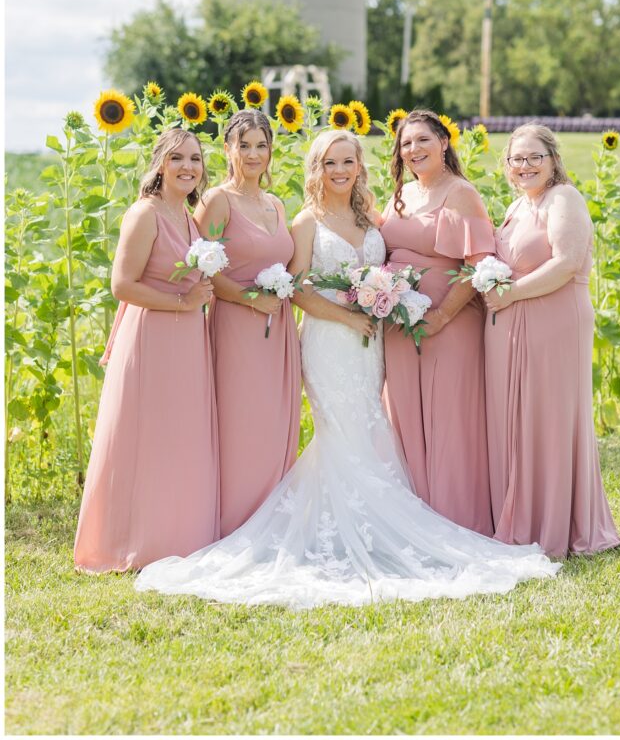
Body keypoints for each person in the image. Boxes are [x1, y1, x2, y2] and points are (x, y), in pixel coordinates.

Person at [135, 130, 560, 608]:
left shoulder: (369, 217)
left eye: (347, 162)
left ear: (360, 167)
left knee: (370, 427)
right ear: (316, 169)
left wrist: (385, 297)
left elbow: (395, 260)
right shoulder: (306, 221)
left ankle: (376, 524)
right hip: (331, 342)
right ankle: (351, 526)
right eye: (329, 163)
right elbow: (297, 289)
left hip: (370, 343)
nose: (340, 171)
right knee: (342, 432)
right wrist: (348, 316)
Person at [74, 129, 219, 571]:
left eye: (195, 159)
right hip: (152, 336)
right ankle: (128, 542)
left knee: (177, 437)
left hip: (187, 339)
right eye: (177, 158)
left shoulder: (191, 219)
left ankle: (176, 536)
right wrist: (183, 301)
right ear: (160, 163)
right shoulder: (145, 213)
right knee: (146, 435)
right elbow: (122, 285)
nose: (188, 167)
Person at [484, 123, 620, 557]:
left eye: (533, 157)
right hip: (515, 323)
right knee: (521, 418)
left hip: (555, 323)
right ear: (506, 165)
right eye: (516, 159)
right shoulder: (519, 205)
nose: (524, 165)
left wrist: (509, 294)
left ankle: (557, 523)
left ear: (552, 159)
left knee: (550, 417)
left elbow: (566, 263)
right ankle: (522, 513)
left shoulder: (564, 198)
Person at [380, 111, 495, 534]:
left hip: (450, 324)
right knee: (404, 421)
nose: (414, 150)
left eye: (423, 140)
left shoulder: (462, 194)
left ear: (444, 142)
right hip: (397, 325)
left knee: (450, 422)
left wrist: (441, 316)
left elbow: (480, 267)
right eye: (406, 143)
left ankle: (457, 523)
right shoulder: (400, 194)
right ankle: (414, 524)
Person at [194, 109, 301, 537]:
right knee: (242, 425)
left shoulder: (274, 203)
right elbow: (199, 265)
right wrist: (248, 300)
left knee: (276, 424)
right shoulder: (217, 201)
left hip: (279, 333)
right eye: (244, 145)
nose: (253, 154)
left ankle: (273, 522)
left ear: (271, 151)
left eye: (261, 145)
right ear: (227, 149)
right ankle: (235, 523)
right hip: (237, 327)